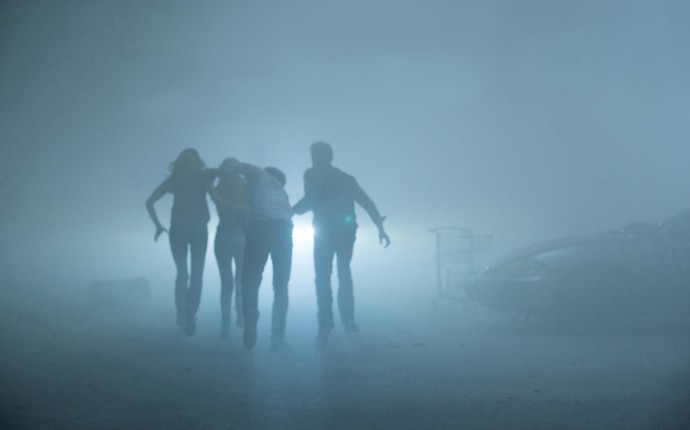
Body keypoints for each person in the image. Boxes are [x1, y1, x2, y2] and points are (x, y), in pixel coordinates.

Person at [292, 141, 390, 348]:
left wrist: (291, 211)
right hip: (346, 230)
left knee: (322, 276)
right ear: (331, 156)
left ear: (315, 157)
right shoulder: (346, 178)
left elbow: (311, 199)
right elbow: (366, 201)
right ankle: (349, 321)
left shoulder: (310, 174)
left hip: (324, 230)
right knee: (344, 273)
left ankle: (326, 319)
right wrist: (380, 228)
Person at [223, 160, 293, 352]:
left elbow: (242, 167)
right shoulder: (282, 195)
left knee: (250, 279)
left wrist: (224, 170)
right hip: (284, 229)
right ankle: (278, 337)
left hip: (260, 228)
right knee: (281, 286)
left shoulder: (262, 176)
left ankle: (250, 311)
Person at [146, 148, 217, 336]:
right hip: (199, 228)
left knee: (182, 274)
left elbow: (149, 202)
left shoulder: (174, 180)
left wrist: (158, 226)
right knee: (197, 274)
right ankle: (191, 310)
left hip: (177, 228)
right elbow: (223, 175)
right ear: (198, 162)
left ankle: (181, 319)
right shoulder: (204, 176)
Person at [208, 158, 248, 339]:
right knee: (240, 280)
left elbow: (220, 204)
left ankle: (225, 324)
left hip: (223, 236)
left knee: (226, 283)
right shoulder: (246, 186)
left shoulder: (217, 189)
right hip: (241, 236)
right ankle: (240, 314)